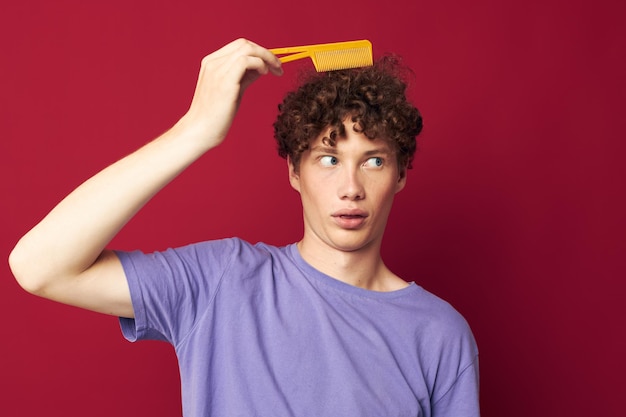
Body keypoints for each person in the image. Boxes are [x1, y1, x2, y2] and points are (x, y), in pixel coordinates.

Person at [9, 38, 479, 416]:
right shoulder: (222, 280)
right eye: (329, 159)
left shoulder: (439, 334)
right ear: (295, 171)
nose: (350, 187)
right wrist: (195, 131)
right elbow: (39, 266)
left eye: (373, 161)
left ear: (399, 175)